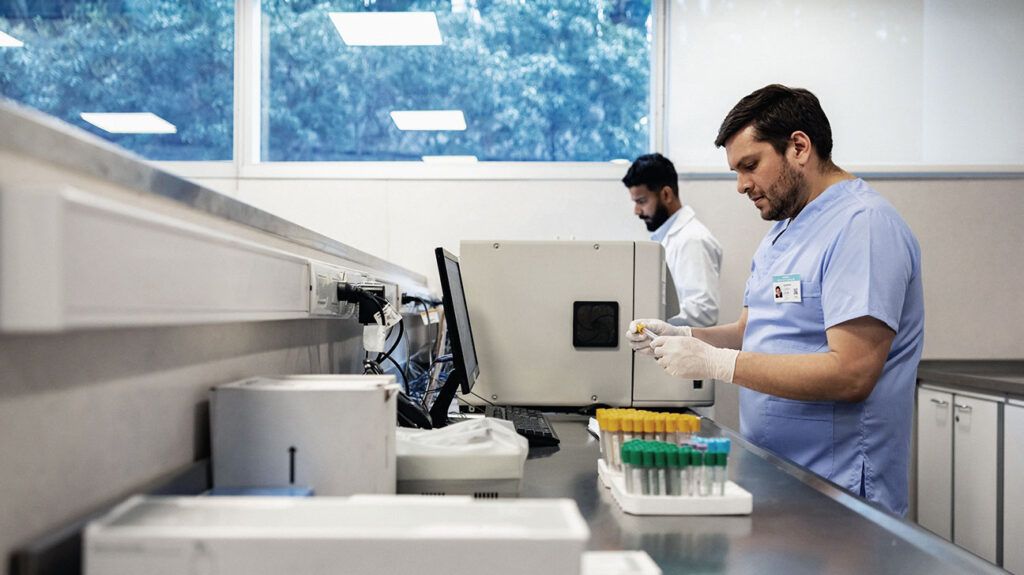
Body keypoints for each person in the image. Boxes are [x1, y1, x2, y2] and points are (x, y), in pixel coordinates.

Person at [627, 85, 924, 516]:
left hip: (840, 488)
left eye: (750, 166)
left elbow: (852, 373)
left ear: (799, 147)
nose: (742, 185)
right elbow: (752, 331)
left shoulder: (864, 226)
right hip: (779, 474)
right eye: (736, 171)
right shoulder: (782, 233)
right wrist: (686, 335)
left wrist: (717, 364)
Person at [622, 153, 723, 327]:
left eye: (642, 201)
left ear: (666, 194)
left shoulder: (692, 240)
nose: (637, 211)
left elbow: (704, 312)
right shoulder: (670, 237)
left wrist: (648, 316)